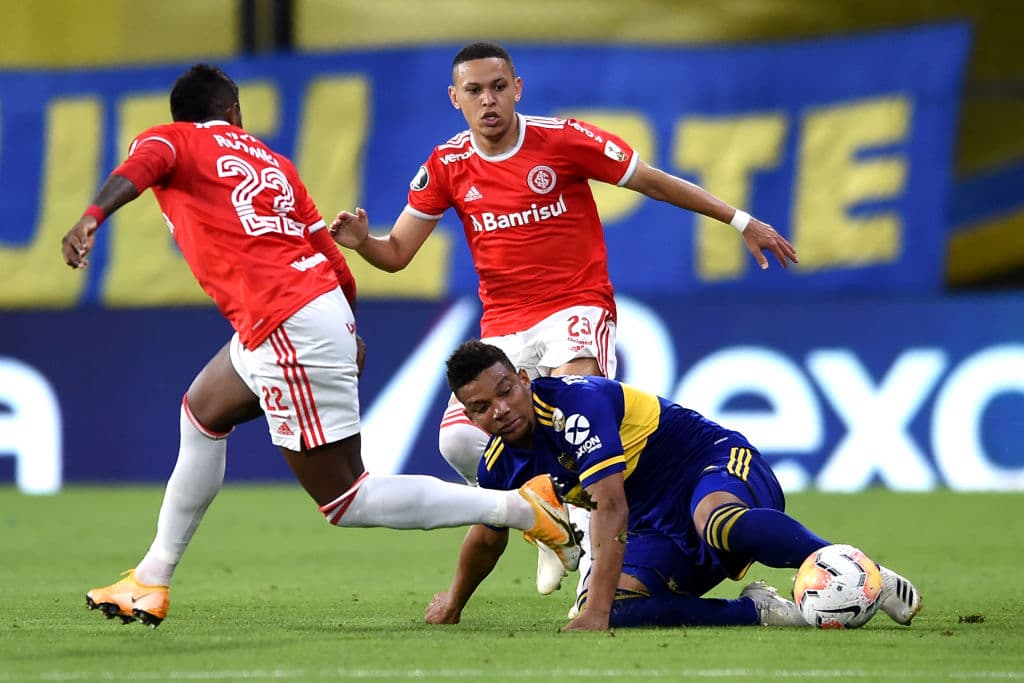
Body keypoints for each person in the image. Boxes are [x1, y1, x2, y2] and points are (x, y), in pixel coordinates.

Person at [60, 64, 582, 629]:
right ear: (235, 113)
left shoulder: (171, 138)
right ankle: (151, 577)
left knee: (346, 499)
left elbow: (140, 166)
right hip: (301, 311)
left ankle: (524, 508)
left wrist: (92, 217)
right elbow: (333, 259)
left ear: (182, 116)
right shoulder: (274, 164)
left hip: (285, 322)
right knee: (202, 411)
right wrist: (348, 327)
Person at [329, 41, 799, 597]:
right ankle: (552, 526)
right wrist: (364, 244)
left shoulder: (563, 140)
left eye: (498, 87)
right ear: (454, 98)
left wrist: (739, 219)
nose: (489, 101)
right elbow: (398, 253)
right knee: (457, 443)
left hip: (575, 307)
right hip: (504, 324)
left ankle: (588, 530)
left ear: (517, 89)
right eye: (475, 91)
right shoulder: (447, 164)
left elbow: (651, 179)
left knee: (571, 408)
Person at [423, 340, 923, 631]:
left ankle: (860, 571)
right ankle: (757, 611)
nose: (501, 410)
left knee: (718, 523)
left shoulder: (576, 407)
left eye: (506, 391)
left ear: (525, 379)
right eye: (482, 408)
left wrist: (592, 613)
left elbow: (610, 506)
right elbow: (489, 533)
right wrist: (454, 601)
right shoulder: (499, 458)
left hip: (710, 465)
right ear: (468, 415)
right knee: (620, 609)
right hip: (655, 526)